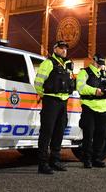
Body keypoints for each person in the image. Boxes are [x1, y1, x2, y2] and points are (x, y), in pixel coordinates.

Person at [34, 40, 74, 174]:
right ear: (55, 49)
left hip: (63, 102)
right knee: (46, 133)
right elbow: (38, 82)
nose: (64, 50)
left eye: (66, 49)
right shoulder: (48, 63)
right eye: (61, 48)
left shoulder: (67, 65)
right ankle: (42, 164)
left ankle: (55, 161)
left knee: (59, 132)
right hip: (51, 101)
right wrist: (44, 95)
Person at [76, 53, 106, 168]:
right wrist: (95, 91)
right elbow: (80, 87)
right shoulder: (84, 72)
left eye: (102, 64)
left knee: (100, 135)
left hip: (103, 109)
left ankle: (96, 158)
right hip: (89, 107)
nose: (100, 66)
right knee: (88, 134)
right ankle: (87, 160)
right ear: (93, 61)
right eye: (98, 64)